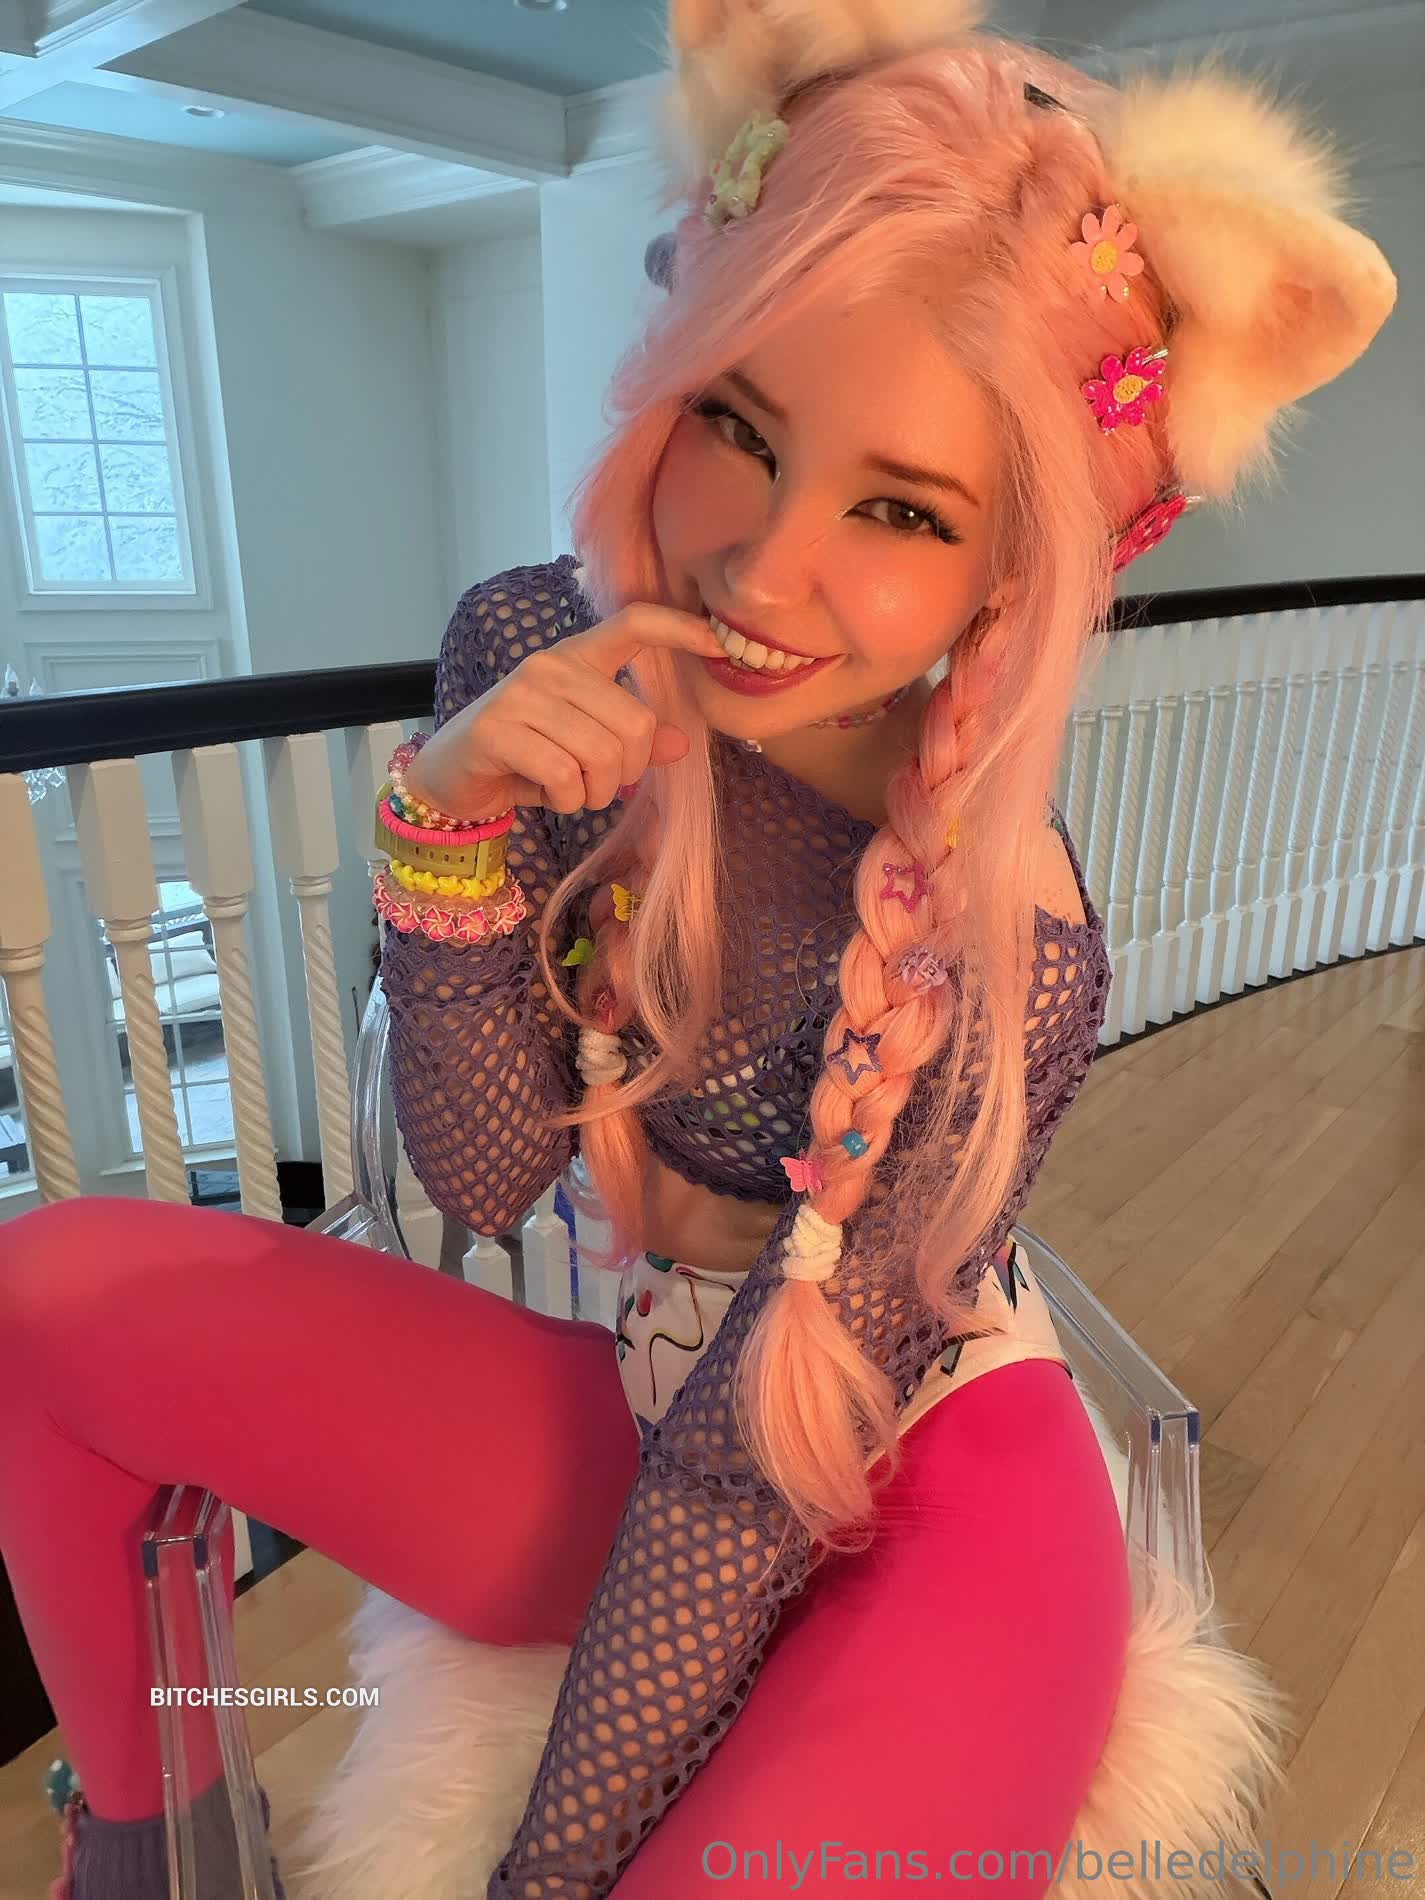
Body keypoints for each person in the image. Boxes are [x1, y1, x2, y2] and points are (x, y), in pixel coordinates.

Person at [0, 3, 1396, 1896]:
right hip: (647, 1398)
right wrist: (448, 822)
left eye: (897, 509)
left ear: (1012, 571)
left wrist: (541, 1871)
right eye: (735, 423)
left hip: (933, 1489)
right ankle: (148, 1843)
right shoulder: (531, 649)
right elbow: (488, 1170)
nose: (758, 564)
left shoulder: (1012, 942)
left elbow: (751, 1474)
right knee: (41, 1294)